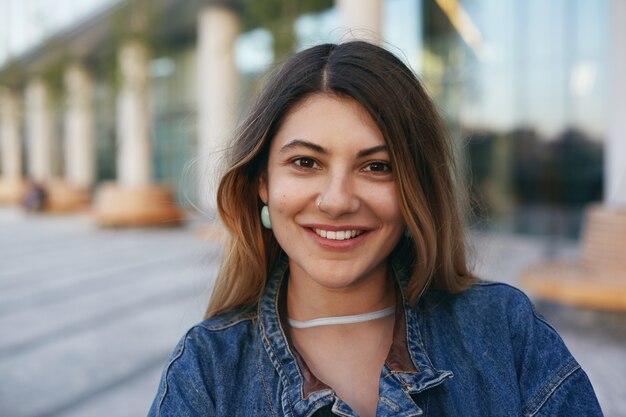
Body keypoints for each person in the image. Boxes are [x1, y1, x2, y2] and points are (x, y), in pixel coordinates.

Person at [148, 41, 602, 417]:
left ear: (415, 189)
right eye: (305, 162)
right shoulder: (207, 370)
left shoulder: (504, 332)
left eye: (377, 166)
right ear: (263, 182)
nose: (338, 200)